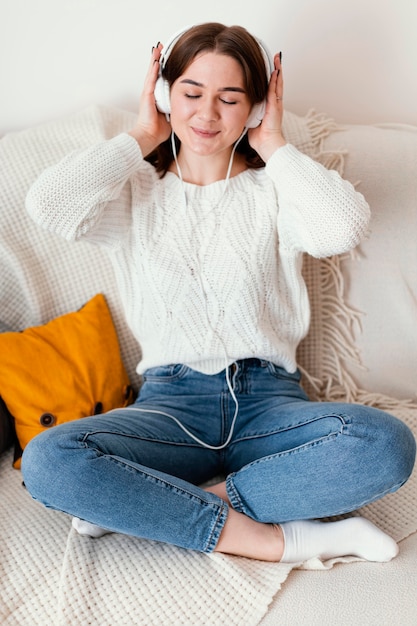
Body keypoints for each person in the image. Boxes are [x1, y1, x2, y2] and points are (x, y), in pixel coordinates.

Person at [22, 22, 415, 564]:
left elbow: (343, 226)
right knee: (50, 460)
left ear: (254, 108)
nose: (207, 115)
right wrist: (142, 135)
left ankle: (164, 508)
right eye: (190, 93)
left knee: (385, 445)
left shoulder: (275, 189)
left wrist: (274, 144)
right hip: (169, 409)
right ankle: (285, 541)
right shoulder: (132, 193)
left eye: (229, 99)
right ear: (164, 95)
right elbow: (48, 204)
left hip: (268, 403)